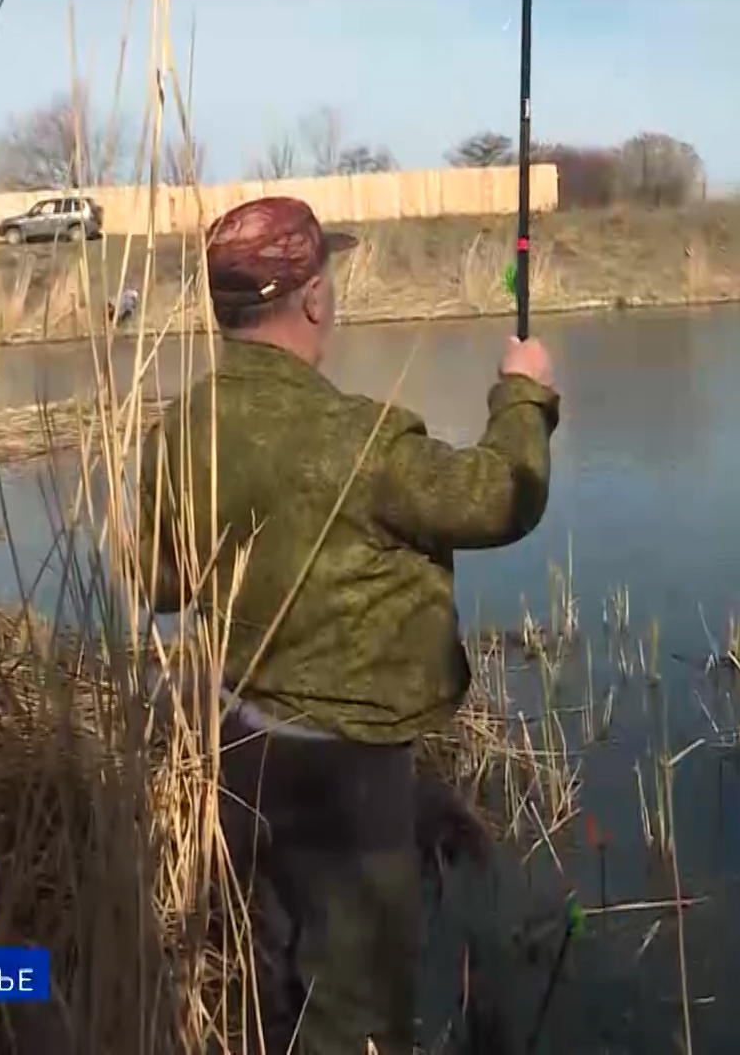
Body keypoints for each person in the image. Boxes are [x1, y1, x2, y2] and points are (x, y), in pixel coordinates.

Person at [136, 195, 559, 1055]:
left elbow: (158, 581)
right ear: (316, 299)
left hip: (241, 745)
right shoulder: (355, 438)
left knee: (278, 967)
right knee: (355, 1011)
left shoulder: (178, 433)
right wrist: (525, 393)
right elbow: (501, 496)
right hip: (348, 771)